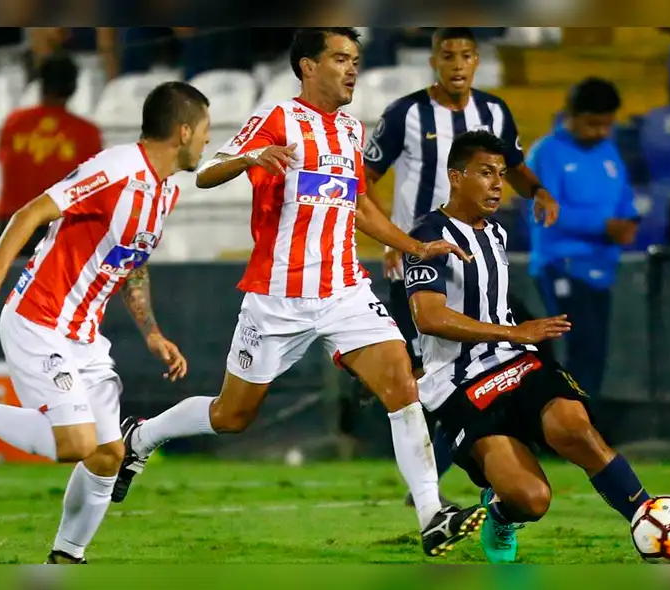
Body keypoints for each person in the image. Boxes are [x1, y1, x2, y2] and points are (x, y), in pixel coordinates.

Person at [111, 28, 492, 558]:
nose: (352, 69)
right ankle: (141, 438)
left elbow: (359, 206)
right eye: (340, 59)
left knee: (401, 381)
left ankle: (431, 514)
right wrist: (252, 158)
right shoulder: (277, 119)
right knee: (232, 416)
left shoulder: (353, 131)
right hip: (277, 297)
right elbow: (204, 174)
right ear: (308, 66)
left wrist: (413, 247)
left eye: (356, 59)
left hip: (344, 290)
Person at [0, 81, 212, 564]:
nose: (206, 142)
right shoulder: (115, 168)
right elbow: (32, 211)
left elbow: (133, 262)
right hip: (39, 319)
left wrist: (152, 331)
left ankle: (65, 558)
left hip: (85, 335)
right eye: (204, 131)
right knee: (76, 443)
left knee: (108, 456)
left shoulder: (163, 194)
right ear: (182, 131)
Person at [403, 130, 670, 565]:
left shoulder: (495, 232)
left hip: (516, 364)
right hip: (459, 388)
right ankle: (501, 513)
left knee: (577, 428)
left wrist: (516, 339)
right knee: (532, 499)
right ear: (456, 177)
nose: (497, 184)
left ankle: (653, 533)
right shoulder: (426, 235)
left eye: (501, 174)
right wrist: (515, 332)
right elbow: (429, 318)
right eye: (485, 173)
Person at [361, 27, 559, 505]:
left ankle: (476, 463)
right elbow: (363, 179)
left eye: (466, 55)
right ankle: (431, 480)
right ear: (434, 61)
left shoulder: (492, 112)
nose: (457, 64)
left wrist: (537, 190)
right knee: (418, 367)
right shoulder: (404, 114)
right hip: (421, 259)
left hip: (479, 259)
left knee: (494, 354)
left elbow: (510, 161)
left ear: (476, 61)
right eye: (447, 55)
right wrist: (395, 239)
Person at [527, 77, 638, 399]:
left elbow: (625, 197)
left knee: (595, 353)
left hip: (601, 269)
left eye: (607, 125)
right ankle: (570, 426)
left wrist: (629, 220)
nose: (601, 132)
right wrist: (604, 226)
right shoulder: (547, 153)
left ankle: (584, 424)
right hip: (562, 264)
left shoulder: (608, 150)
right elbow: (545, 212)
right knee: (582, 349)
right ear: (571, 115)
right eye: (593, 124)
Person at [0, 52, 103, 258]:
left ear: (41, 83)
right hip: (61, 230)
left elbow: (4, 161)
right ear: (73, 88)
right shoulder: (87, 133)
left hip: (13, 227)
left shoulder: (14, 123)